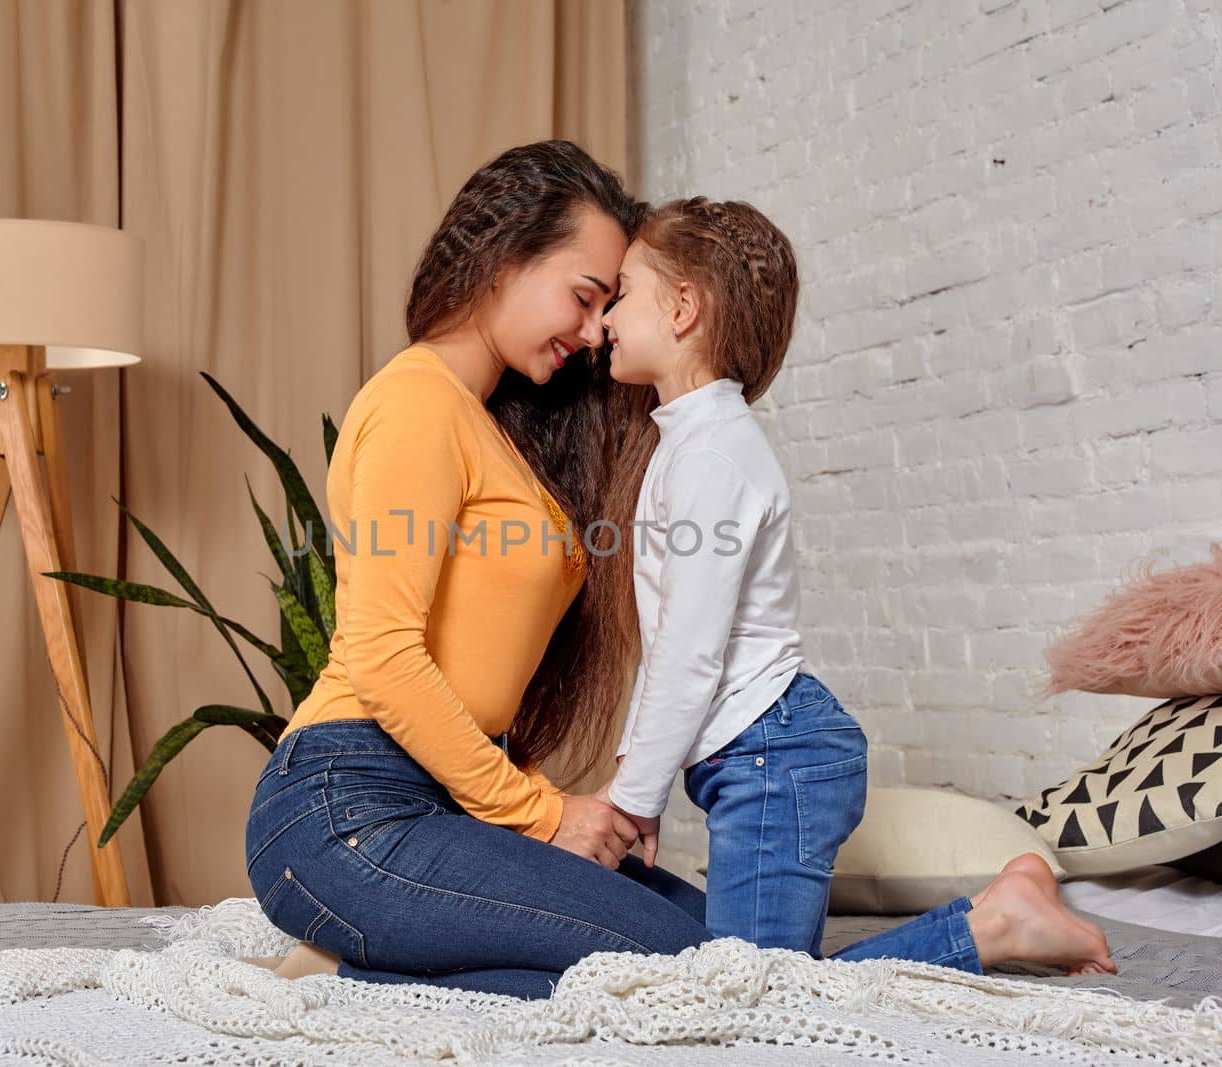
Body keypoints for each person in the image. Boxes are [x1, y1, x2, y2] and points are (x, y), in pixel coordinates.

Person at [244, 140, 1116, 1000]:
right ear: (504, 256)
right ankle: (987, 929)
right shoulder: (414, 404)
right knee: (712, 980)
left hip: (442, 809)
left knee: (720, 956)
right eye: (586, 297)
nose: (593, 332)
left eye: (609, 306)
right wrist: (546, 812)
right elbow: (383, 657)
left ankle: (366, 973)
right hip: (348, 810)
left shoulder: (493, 431)